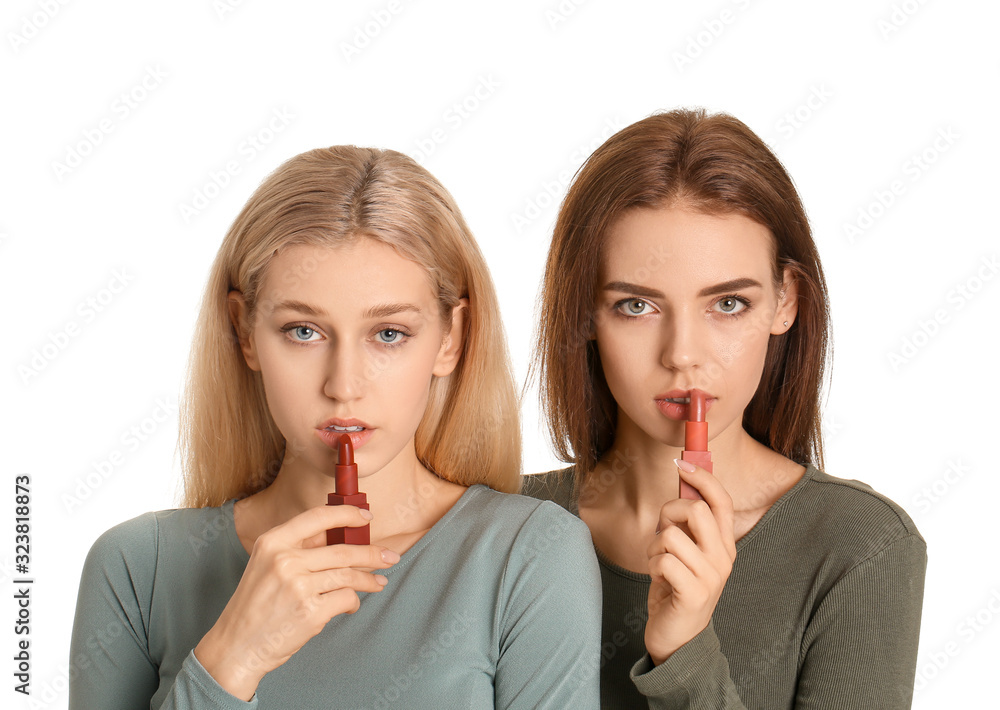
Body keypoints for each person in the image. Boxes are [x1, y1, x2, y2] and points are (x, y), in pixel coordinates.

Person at [69, 146, 601, 709]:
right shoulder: (136, 568)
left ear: (451, 338)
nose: (344, 385)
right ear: (244, 332)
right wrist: (232, 658)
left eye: (389, 334)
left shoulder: (530, 554)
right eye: (303, 331)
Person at [522, 109, 926, 709]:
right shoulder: (501, 523)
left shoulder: (859, 546)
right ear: (583, 313)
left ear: (785, 301)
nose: (683, 355)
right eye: (636, 306)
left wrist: (684, 652)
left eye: (729, 303)